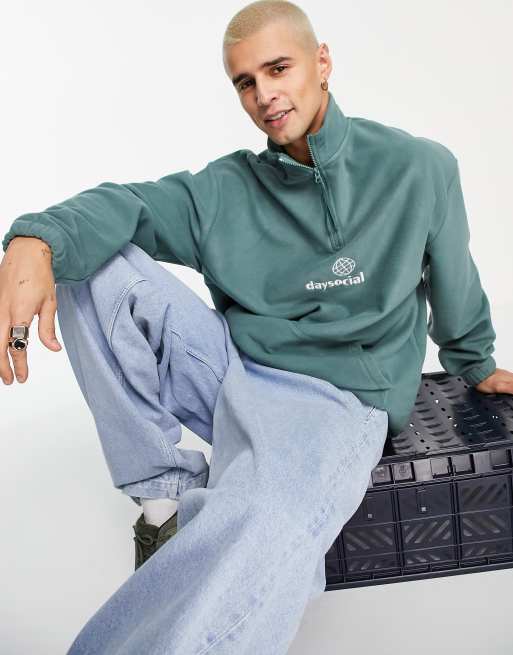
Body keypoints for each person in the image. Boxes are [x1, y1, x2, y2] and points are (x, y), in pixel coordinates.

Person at [1, 1, 512, 653]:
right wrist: (34, 240)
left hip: (338, 399)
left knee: (267, 522)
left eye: (277, 68)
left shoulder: (418, 168)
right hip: (233, 371)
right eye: (245, 81)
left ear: (321, 63)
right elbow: (124, 205)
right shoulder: (225, 189)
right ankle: (164, 504)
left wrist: (475, 363)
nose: (263, 93)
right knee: (88, 262)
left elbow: (454, 282)